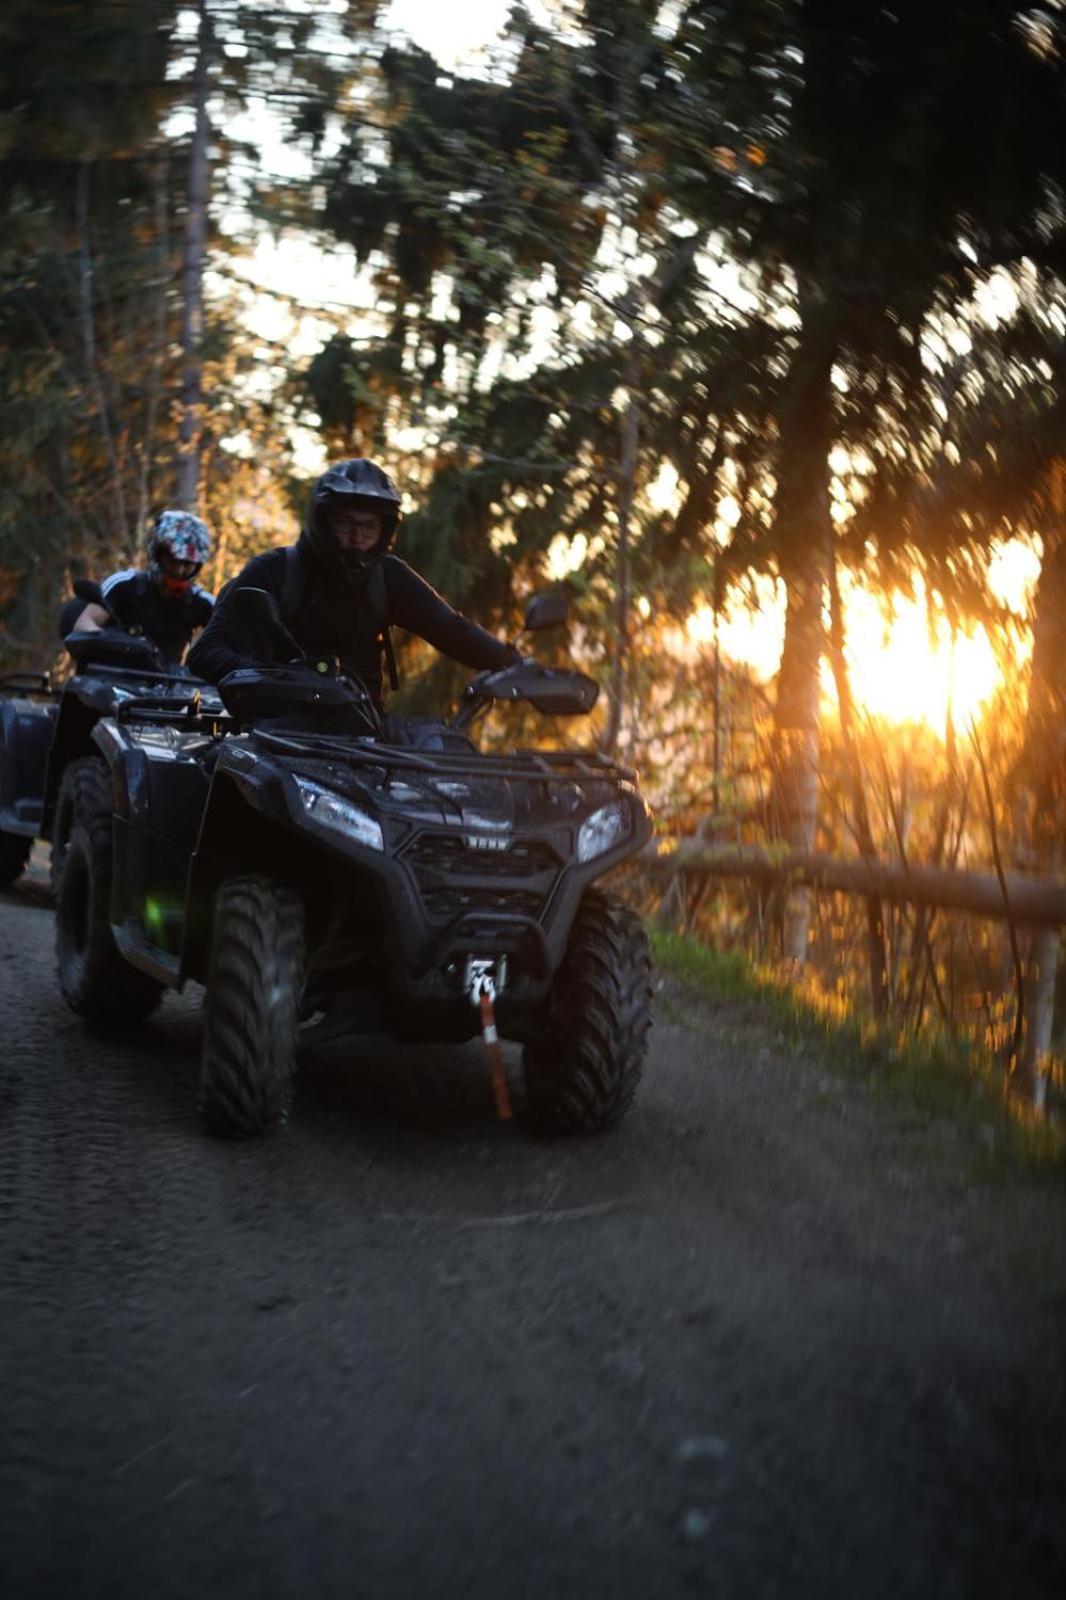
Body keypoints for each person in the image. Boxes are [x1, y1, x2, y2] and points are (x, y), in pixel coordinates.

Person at [187, 458, 523, 703]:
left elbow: (451, 629)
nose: (355, 537)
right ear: (322, 521)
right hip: (273, 736)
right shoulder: (274, 570)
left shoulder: (388, 578)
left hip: (361, 740)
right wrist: (267, 679)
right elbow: (207, 652)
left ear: (384, 531)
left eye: (369, 527)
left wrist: (516, 664)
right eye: (345, 523)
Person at [67, 510, 215, 666]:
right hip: (112, 677)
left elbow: (231, 636)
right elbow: (84, 624)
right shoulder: (124, 583)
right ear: (158, 554)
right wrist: (119, 643)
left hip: (168, 684)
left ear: (198, 565)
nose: (179, 570)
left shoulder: (202, 601)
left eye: (186, 565)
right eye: (172, 561)